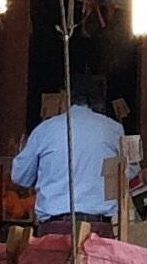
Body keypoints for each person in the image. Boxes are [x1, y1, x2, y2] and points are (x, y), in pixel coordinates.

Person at [9, 77, 123, 231]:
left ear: (65, 98)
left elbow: (20, 175)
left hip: (55, 227)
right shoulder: (113, 129)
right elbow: (128, 173)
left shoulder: (45, 129)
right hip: (98, 226)